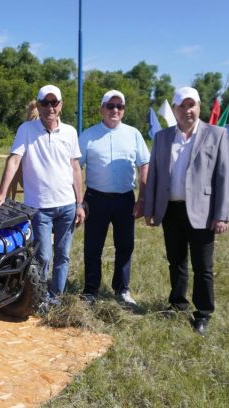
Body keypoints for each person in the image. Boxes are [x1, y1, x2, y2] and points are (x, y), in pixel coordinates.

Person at [144, 86, 229, 336]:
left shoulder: (216, 134)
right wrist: (150, 209)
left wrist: (222, 214)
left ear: (199, 107)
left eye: (191, 105)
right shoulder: (162, 138)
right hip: (170, 210)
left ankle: (203, 312)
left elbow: (224, 177)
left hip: (203, 213)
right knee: (176, 262)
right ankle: (178, 304)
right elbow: (154, 176)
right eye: (182, 106)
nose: (187, 110)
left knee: (203, 266)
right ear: (174, 110)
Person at [0, 85, 85, 305]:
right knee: (43, 256)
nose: (50, 107)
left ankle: (56, 297)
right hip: (40, 207)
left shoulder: (70, 132)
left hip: (67, 206)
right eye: (45, 103)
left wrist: (80, 203)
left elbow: (75, 167)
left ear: (60, 105)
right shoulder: (27, 129)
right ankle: (39, 296)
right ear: (39, 105)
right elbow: (14, 159)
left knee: (63, 255)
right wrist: (2, 193)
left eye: (54, 103)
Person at [78, 90, 149, 308]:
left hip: (125, 199)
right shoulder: (88, 135)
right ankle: (90, 290)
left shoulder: (133, 134)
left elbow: (144, 164)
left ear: (124, 111)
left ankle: (122, 289)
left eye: (120, 106)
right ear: (102, 109)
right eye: (110, 106)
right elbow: (74, 168)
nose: (115, 110)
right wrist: (79, 200)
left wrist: (142, 199)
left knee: (125, 245)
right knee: (93, 246)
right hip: (95, 199)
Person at [9, 100, 40, 199]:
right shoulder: (25, 129)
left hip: (29, 179)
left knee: (16, 163)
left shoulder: (24, 128)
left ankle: (10, 197)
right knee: (16, 162)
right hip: (28, 178)